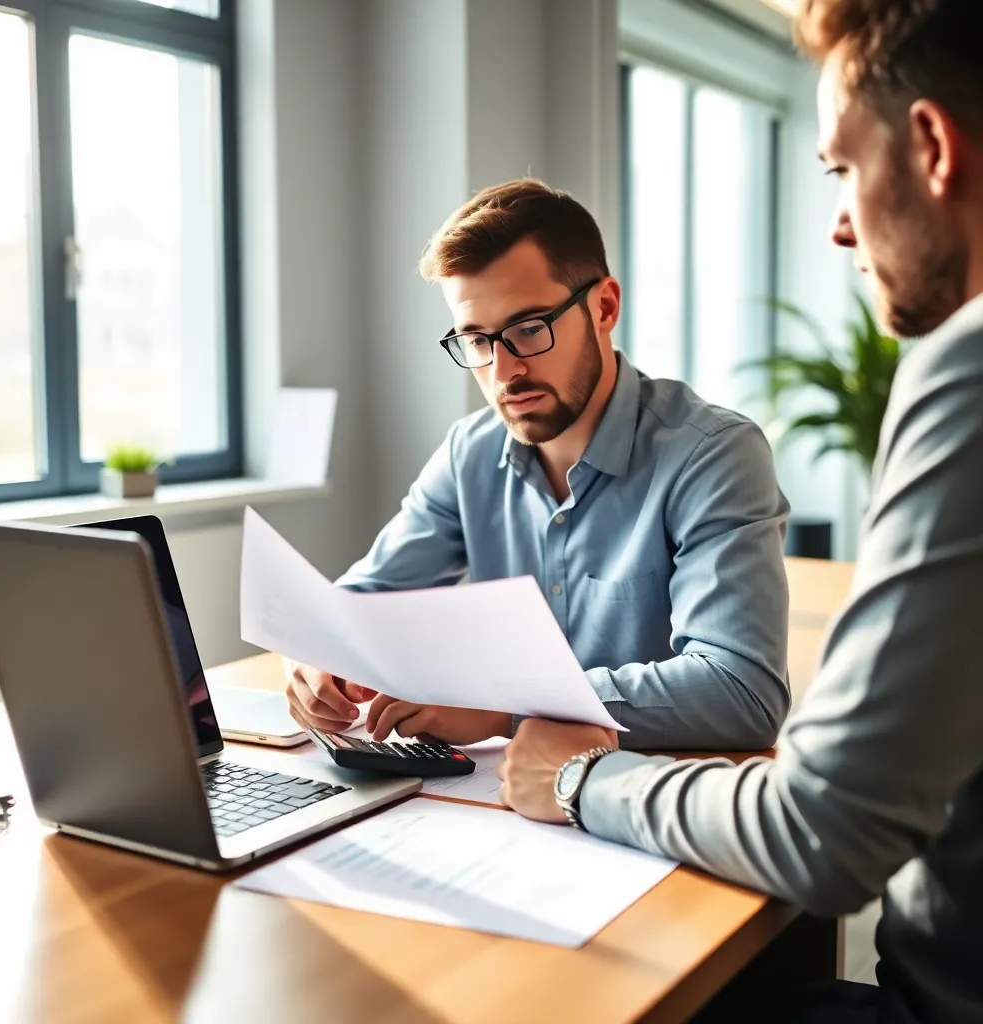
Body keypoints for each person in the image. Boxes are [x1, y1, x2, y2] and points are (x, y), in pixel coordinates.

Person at [498, 2, 983, 1021]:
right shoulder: (478, 450)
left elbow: (821, 833)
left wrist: (585, 779)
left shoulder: (965, 374)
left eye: (841, 168)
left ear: (932, 146)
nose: (839, 223)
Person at [286, 179, 791, 751]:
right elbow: (357, 606)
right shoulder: (468, 453)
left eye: (528, 329)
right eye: (477, 339)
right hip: (495, 801)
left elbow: (742, 691)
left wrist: (508, 705)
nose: (503, 372)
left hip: (648, 805)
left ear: (604, 307)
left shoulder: (714, 455)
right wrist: (314, 656)